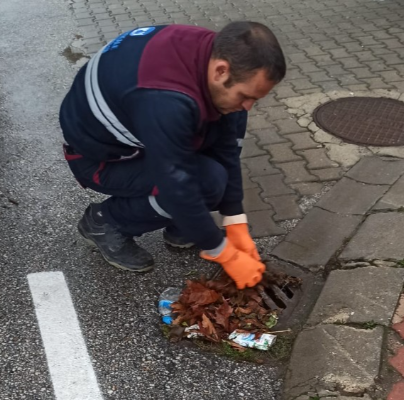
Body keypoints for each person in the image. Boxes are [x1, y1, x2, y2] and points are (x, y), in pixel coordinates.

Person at [57, 21, 287, 289]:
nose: (249, 106)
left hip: (143, 130)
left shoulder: (215, 55)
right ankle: (105, 222)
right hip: (98, 159)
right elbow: (177, 185)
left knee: (228, 129)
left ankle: (186, 224)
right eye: (245, 96)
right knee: (205, 183)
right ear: (221, 71)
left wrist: (235, 221)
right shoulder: (164, 100)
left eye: (255, 99)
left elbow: (227, 149)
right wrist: (223, 252)